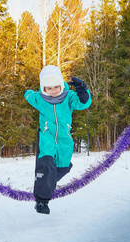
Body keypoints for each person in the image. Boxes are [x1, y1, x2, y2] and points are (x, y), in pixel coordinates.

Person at [24, 65, 92, 214]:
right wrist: (26, 92)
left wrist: (82, 89)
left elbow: (84, 103)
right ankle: (42, 202)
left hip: (64, 139)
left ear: (61, 85)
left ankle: (49, 182)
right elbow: (28, 95)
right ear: (43, 88)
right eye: (49, 88)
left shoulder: (69, 97)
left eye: (56, 86)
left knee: (64, 167)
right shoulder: (39, 98)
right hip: (47, 137)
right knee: (46, 163)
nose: (53, 90)